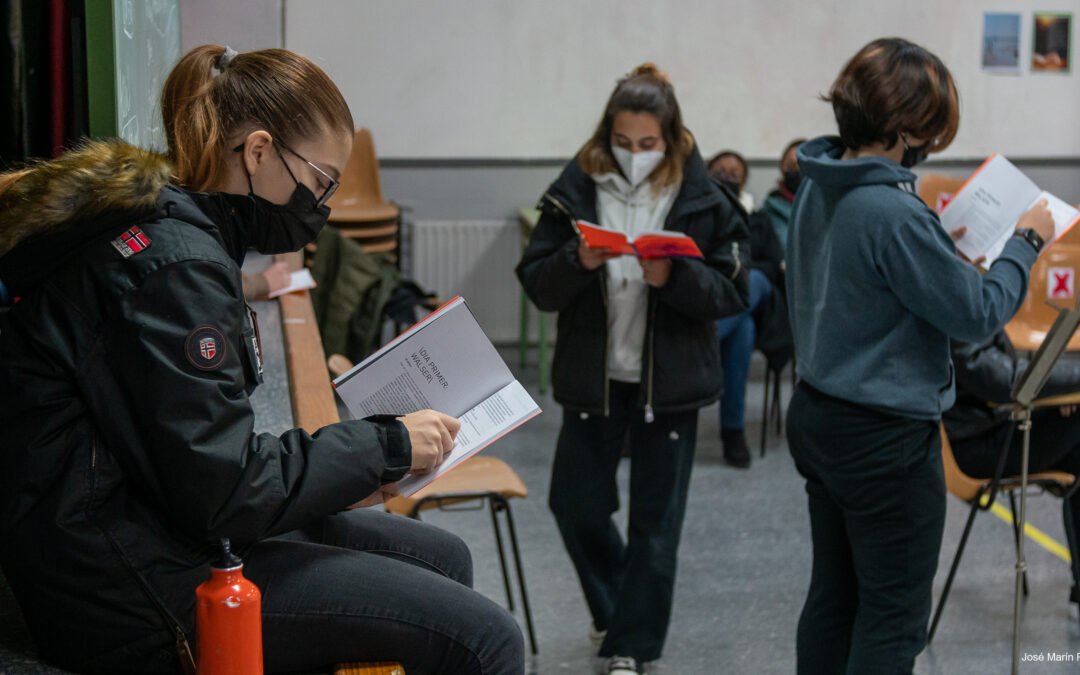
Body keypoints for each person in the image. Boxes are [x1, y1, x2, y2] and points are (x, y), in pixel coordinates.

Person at [0, 45, 523, 675]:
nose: (322, 206)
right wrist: (383, 448)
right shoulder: (175, 266)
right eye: (322, 180)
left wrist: (354, 467)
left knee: (442, 557)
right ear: (257, 152)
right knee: (486, 638)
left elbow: (196, 453)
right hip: (125, 584)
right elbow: (223, 490)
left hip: (153, 521)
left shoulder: (176, 228)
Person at [784, 37, 1054, 674]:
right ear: (906, 129)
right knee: (894, 617)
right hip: (882, 439)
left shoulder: (820, 186)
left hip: (821, 415)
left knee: (835, 597)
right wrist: (1026, 242)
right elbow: (979, 313)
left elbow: (866, 282)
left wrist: (934, 245)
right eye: (932, 128)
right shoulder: (890, 211)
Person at [516, 63, 749, 675]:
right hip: (593, 378)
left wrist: (675, 278)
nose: (635, 154)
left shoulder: (702, 196)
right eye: (623, 142)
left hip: (668, 386)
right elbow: (538, 285)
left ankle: (630, 646)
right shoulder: (577, 186)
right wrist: (577, 258)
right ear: (606, 134)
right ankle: (619, 609)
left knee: (656, 523)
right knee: (575, 504)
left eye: (648, 144)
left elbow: (733, 291)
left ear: (671, 139)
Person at [944, 329, 1080, 602]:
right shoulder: (960, 296)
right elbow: (999, 379)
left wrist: (1064, 396)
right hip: (972, 445)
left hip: (985, 425)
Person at [708, 148, 789, 467]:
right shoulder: (697, 213)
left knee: (753, 279)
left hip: (754, 295)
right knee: (743, 331)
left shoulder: (758, 217)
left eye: (735, 172)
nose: (728, 176)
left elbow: (772, 262)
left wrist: (737, 273)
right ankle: (733, 431)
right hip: (717, 299)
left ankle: (704, 338)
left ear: (744, 181)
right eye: (720, 170)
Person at [759, 138, 805, 249]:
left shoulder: (827, 205)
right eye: (791, 167)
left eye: (802, 166)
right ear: (781, 168)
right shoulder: (769, 209)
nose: (797, 171)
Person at [707, 149, 755, 213]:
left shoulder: (755, 219)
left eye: (733, 175)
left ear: (743, 183)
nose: (726, 178)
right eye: (719, 173)